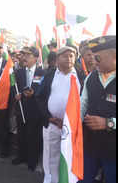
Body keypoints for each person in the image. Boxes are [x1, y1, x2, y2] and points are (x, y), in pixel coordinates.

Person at [35, 46, 85, 183]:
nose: (69, 59)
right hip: (51, 123)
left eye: (72, 56)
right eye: (65, 56)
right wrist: (48, 117)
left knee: (68, 156)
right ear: (57, 59)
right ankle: (50, 180)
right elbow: (39, 97)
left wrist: (70, 121)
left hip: (71, 127)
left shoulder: (80, 75)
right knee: (50, 157)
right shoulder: (50, 74)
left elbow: (85, 101)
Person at [79, 36, 116, 183]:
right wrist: (70, 123)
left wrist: (108, 123)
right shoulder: (91, 78)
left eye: (98, 58)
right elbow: (83, 105)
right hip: (91, 146)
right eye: (93, 57)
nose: (93, 62)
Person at [11, 46, 45, 171]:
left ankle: (32, 159)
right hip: (21, 109)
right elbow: (14, 88)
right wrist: (17, 95)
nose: (24, 57)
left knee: (33, 136)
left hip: (35, 110)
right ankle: (21, 156)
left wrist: (34, 94)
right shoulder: (18, 72)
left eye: (28, 55)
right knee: (21, 134)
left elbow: (44, 91)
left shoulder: (42, 73)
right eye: (23, 55)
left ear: (36, 58)